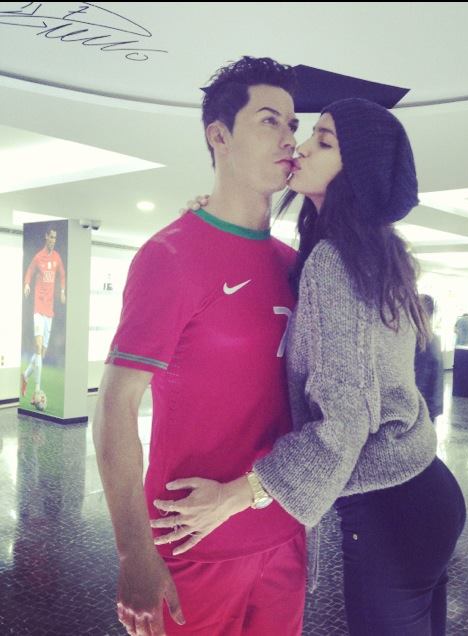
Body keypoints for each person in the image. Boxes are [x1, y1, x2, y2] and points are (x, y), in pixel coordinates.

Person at [156, 98, 467, 636]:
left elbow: (343, 424)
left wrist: (236, 495)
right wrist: (218, 221)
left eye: (324, 142)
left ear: (357, 170)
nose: (300, 147)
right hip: (426, 489)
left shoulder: (333, 261)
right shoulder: (370, 253)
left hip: (390, 507)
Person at [93, 57, 306, 636]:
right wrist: (133, 551)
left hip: (282, 528)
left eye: (293, 124)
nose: (289, 138)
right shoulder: (170, 256)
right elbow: (114, 404)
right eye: (270, 120)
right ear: (220, 136)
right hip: (191, 539)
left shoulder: (296, 265)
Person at [21, 226, 66, 405]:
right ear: (46, 237)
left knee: (42, 354)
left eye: (55, 237)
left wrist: (62, 291)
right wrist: (26, 284)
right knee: (38, 348)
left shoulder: (57, 258)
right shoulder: (38, 257)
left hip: (50, 310)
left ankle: (25, 376)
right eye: (51, 237)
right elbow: (29, 272)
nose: (53, 240)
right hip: (38, 308)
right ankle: (37, 391)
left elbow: (62, 275)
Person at [415, 294, 444, 423]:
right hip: (422, 405)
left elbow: (427, 375)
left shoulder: (425, 339)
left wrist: (432, 408)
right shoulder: (427, 337)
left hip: (421, 406)